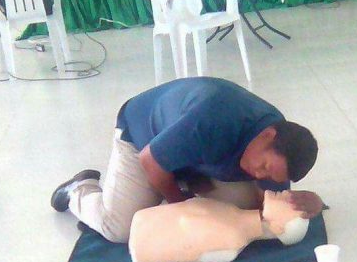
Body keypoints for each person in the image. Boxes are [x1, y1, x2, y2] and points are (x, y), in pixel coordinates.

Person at [50, 76, 323, 243]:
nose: (259, 175)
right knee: (119, 228)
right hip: (143, 140)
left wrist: (309, 203)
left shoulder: (281, 145)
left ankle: (185, 177)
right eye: (263, 167)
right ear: (266, 135)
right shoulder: (213, 119)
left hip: (192, 153)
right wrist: (181, 207)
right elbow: (150, 161)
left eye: (269, 176)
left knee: (246, 207)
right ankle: (79, 189)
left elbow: (269, 205)